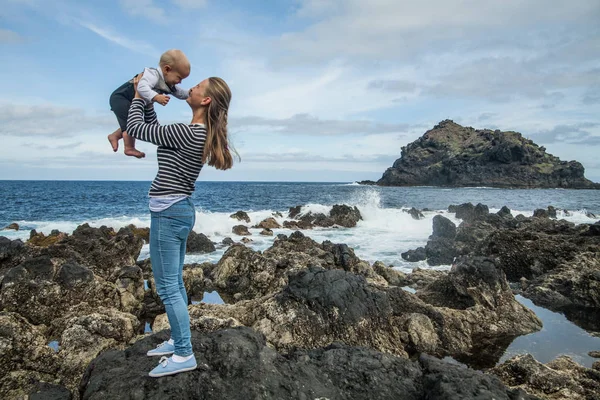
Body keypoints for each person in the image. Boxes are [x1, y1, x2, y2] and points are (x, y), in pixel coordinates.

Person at [126, 74, 233, 377]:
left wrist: (138, 94)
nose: (191, 88)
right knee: (174, 282)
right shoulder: (193, 132)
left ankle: (184, 353)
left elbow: (136, 128)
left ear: (206, 100)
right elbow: (155, 128)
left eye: (198, 87)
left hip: (169, 212)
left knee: (168, 286)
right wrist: (151, 98)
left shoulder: (187, 133)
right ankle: (177, 340)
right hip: (177, 210)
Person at [108, 49, 191, 159]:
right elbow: (141, 87)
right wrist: (156, 97)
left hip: (132, 101)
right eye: (179, 78)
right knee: (130, 124)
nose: (180, 82)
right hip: (121, 98)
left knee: (133, 122)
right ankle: (129, 147)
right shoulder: (153, 75)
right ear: (167, 69)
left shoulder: (167, 82)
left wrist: (191, 93)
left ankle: (114, 136)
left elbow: (180, 93)